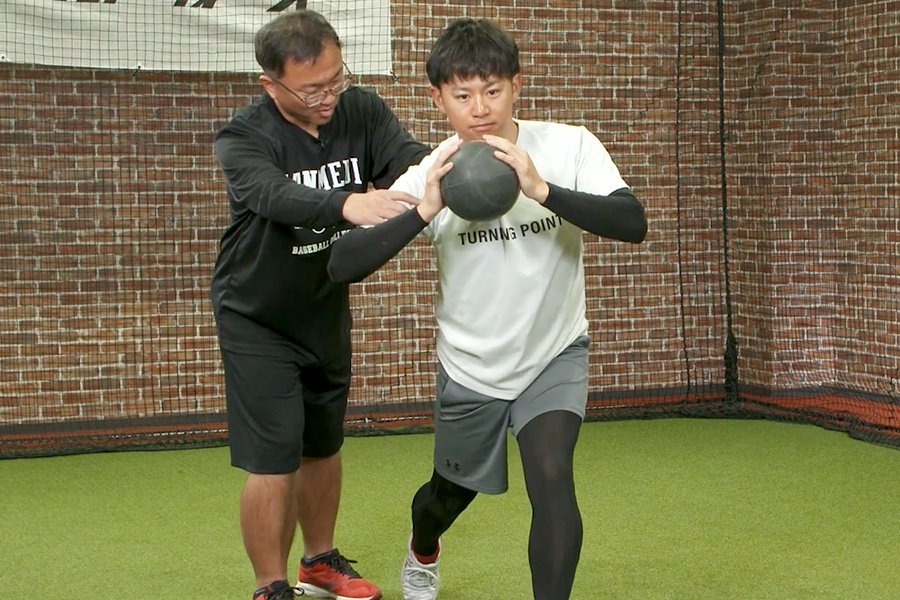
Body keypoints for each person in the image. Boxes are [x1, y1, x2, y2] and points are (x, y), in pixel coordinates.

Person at [328, 17, 647, 600]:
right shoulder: (432, 171)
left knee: (552, 477)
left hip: (553, 352)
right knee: (446, 498)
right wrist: (423, 210)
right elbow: (341, 263)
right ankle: (424, 547)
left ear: (517, 86)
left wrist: (543, 190)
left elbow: (632, 222)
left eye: (494, 90)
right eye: (463, 94)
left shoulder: (567, 145)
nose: (481, 108)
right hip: (472, 364)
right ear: (438, 98)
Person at [211, 10, 430, 600]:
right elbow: (270, 193)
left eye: (336, 78)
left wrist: (442, 171)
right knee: (275, 456)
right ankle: (270, 585)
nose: (330, 96)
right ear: (271, 85)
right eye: (313, 89)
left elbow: (410, 161)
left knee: (322, 444)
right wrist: (346, 205)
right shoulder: (243, 137)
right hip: (256, 314)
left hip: (323, 306)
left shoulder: (360, 109)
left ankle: (319, 561)